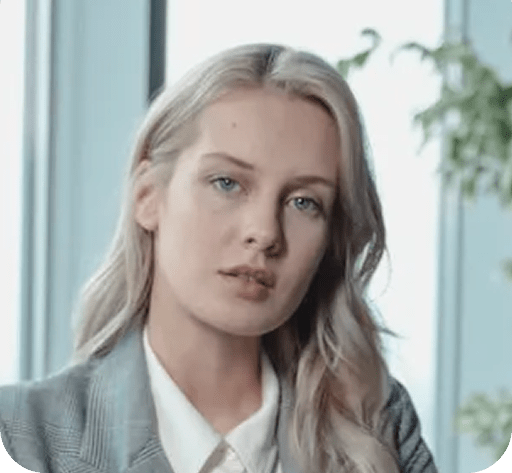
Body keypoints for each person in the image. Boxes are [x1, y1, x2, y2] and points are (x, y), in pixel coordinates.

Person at [0, 43, 438, 473]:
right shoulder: (19, 437)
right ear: (148, 196)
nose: (265, 233)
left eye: (304, 202)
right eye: (227, 183)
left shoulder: (379, 428)